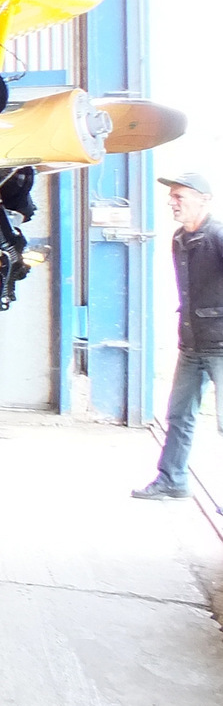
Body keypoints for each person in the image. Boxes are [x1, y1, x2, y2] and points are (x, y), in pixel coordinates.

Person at [134, 172, 223, 500]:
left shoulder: (217, 236)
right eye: (171, 196)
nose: (172, 202)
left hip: (221, 347)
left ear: (204, 199)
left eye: (180, 196)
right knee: (178, 414)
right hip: (191, 344)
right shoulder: (180, 239)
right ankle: (172, 479)